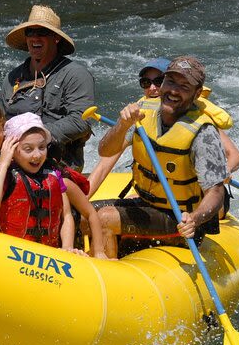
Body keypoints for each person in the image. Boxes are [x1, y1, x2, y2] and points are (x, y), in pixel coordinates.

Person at [96, 56, 228, 258]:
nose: (173, 91)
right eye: (170, 82)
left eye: (184, 86)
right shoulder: (143, 112)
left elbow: (216, 192)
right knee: (85, 213)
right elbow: (105, 151)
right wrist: (122, 126)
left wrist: (194, 218)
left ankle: (107, 277)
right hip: (147, 205)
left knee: (104, 218)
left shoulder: (203, 133)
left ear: (197, 93)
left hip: (180, 217)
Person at [86, 57, 239, 203]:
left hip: (193, 201)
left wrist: (223, 172)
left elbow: (235, 156)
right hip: (157, 196)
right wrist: (83, 202)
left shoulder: (196, 121)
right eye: (146, 83)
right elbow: (104, 164)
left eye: (159, 81)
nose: (153, 88)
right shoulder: (140, 115)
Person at [0, 113, 107, 258]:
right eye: (28, 149)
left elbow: (66, 215)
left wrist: (70, 248)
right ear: (12, 150)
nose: (37, 155)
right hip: (12, 255)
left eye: (42, 147)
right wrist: (3, 163)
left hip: (48, 257)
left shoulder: (54, 176)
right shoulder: (5, 176)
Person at [0, 5, 96, 172]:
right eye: (30, 32)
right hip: (14, 161)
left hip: (57, 165)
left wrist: (34, 137)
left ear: (56, 38)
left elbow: (81, 121)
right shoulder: (13, 77)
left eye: (42, 33)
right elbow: (0, 118)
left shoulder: (76, 75)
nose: (35, 38)